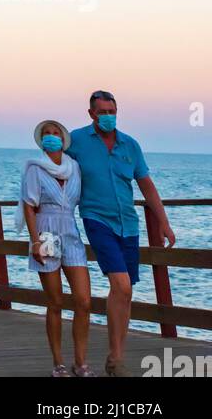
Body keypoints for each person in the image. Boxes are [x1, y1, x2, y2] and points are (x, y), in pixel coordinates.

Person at [68, 89, 176, 378]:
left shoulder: (130, 145)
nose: (107, 117)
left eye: (112, 112)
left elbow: (146, 185)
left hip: (128, 223)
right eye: (101, 112)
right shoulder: (76, 140)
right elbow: (54, 167)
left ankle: (116, 358)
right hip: (96, 218)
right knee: (122, 285)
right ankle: (115, 360)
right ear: (91, 113)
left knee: (124, 292)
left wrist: (163, 221)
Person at [18, 120, 95, 377]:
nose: (51, 136)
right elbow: (29, 206)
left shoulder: (74, 168)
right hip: (46, 232)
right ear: (41, 140)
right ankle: (59, 363)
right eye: (46, 134)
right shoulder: (35, 168)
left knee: (83, 301)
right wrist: (35, 241)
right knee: (55, 302)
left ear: (63, 138)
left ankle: (80, 363)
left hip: (71, 232)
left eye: (55, 133)